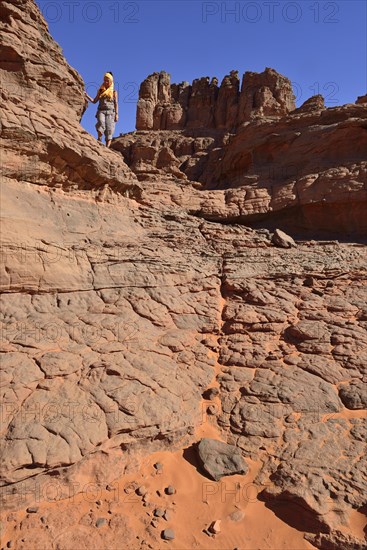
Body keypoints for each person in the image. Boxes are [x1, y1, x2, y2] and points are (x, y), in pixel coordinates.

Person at [85, 72, 118, 148]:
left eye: (107, 80)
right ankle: (99, 139)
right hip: (101, 111)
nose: (106, 82)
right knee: (101, 123)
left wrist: (116, 114)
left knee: (109, 129)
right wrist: (86, 96)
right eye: (105, 80)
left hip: (111, 112)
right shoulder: (100, 90)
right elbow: (94, 101)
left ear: (111, 81)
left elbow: (116, 103)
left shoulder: (114, 92)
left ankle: (107, 147)